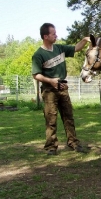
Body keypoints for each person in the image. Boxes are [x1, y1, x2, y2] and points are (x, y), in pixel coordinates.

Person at [32, 23, 90, 155]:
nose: (56, 35)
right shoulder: (38, 54)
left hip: (63, 88)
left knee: (69, 117)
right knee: (51, 120)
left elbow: (76, 48)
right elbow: (36, 75)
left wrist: (84, 40)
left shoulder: (59, 48)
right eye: (53, 34)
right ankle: (51, 147)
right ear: (45, 36)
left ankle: (73, 143)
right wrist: (51, 81)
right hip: (49, 91)